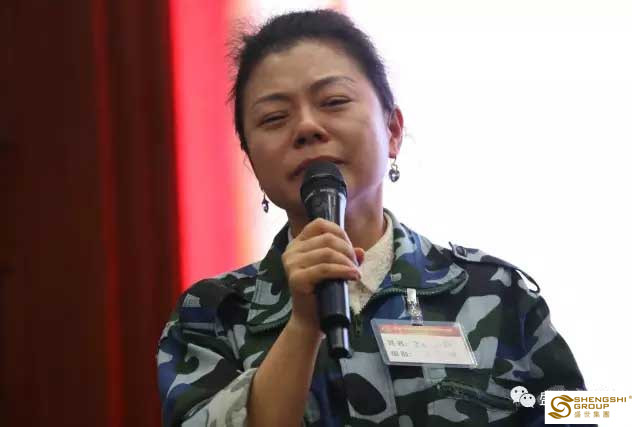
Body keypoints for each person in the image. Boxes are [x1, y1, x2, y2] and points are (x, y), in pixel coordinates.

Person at [157, 9, 589, 427]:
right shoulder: (211, 315)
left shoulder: (499, 292)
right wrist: (304, 326)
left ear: (393, 131)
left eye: (333, 102)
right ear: (251, 160)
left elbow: (584, 413)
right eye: (274, 118)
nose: (306, 127)